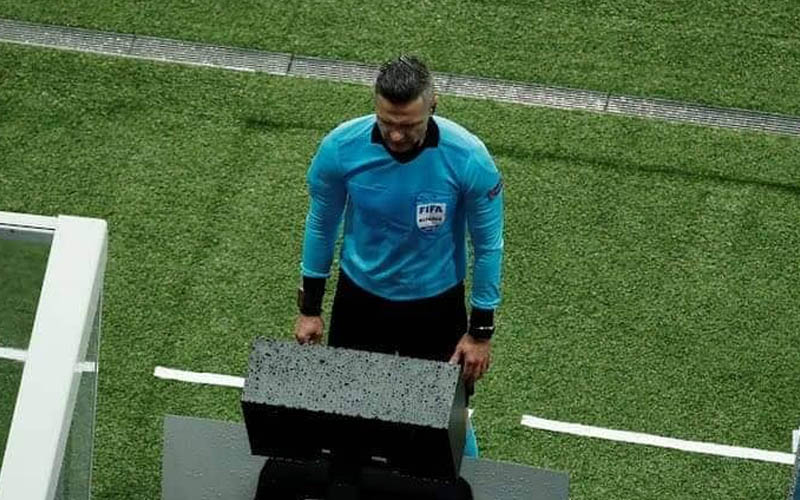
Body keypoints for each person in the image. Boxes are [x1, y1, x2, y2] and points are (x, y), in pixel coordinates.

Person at [294, 55, 504, 456]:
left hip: (435, 307)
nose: (394, 135)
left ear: (433, 105)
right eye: (386, 122)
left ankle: (468, 482)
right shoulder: (341, 148)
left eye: (408, 125)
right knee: (348, 414)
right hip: (360, 302)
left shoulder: (469, 158)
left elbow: (488, 245)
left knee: (446, 423)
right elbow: (321, 224)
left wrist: (480, 332)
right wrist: (310, 309)